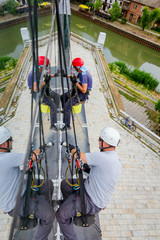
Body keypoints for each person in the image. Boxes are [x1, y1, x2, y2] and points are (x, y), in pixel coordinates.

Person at [56, 127, 121, 240]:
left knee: (60, 215)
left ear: (105, 143)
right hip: (92, 189)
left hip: (90, 200)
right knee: (65, 185)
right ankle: (72, 208)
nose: (98, 142)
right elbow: (96, 172)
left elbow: (79, 156)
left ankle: (71, 237)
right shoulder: (115, 159)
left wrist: (72, 149)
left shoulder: (102, 157)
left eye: (100, 139)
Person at [0, 126, 55, 240]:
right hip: (18, 203)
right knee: (50, 216)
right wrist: (44, 147)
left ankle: (40, 207)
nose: (12, 141)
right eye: (10, 140)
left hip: (18, 192)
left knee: (47, 184)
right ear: (4, 144)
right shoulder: (7, 158)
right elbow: (32, 156)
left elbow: (7, 175)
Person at [28, 56, 60, 130]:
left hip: (44, 89)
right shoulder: (34, 74)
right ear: (41, 66)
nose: (46, 68)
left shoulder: (39, 70)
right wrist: (45, 81)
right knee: (52, 105)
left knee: (57, 96)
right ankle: (52, 125)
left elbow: (46, 76)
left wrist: (55, 75)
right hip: (39, 94)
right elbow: (36, 89)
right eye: (45, 66)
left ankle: (55, 110)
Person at [61, 57, 92, 130]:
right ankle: (66, 111)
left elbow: (84, 90)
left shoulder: (84, 75)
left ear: (77, 67)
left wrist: (76, 83)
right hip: (78, 90)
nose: (74, 68)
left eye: (74, 67)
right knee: (63, 97)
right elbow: (75, 77)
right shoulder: (81, 71)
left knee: (67, 105)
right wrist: (66, 75)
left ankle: (67, 125)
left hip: (82, 94)